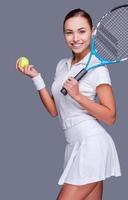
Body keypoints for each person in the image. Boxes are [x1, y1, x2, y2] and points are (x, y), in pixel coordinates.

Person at [16, 8, 121, 200]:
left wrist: (79, 96)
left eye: (81, 31)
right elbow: (55, 110)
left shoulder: (98, 68)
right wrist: (37, 78)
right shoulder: (62, 65)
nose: (75, 38)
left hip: (92, 145)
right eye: (69, 32)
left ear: (92, 32)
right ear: (64, 34)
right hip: (73, 144)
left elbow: (110, 117)